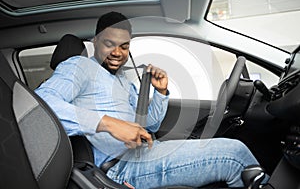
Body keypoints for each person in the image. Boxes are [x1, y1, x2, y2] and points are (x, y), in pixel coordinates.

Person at [35, 11, 263, 188]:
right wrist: (108, 123)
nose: (117, 52)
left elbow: (148, 125)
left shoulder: (123, 79)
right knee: (234, 155)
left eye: (124, 46)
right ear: (95, 41)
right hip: (120, 166)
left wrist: (161, 93)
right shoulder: (79, 66)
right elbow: (41, 108)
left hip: (145, 152)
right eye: (109, 44)